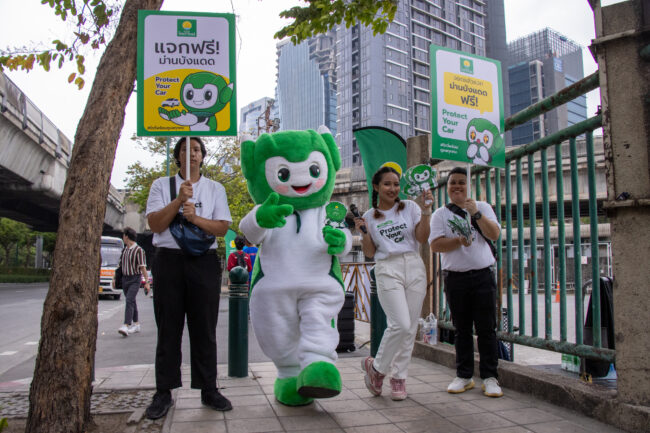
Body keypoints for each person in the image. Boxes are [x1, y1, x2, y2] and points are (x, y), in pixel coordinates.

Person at [144, 137, 233, 419]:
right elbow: (155, 223)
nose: (191, 154)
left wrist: (194, 218)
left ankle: (209, 389)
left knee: (204, 328)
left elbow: (221, 228)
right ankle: (163, 392)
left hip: (203, 263)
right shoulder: (161, 185)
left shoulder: (215, 188)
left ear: (202, 156)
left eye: (196, 149)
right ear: (177, 155)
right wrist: (179, 200)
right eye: (185, 149)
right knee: (168, 328)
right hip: (168, 262)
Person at [353, 166, 433, 401]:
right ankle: (378, 370)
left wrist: (427, 211)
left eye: (396, 184)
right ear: (376, 187)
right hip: (387, 267)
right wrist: (363, 233)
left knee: (409, 328)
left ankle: (398, 377)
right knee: (399, 323)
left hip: (414, 265)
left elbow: (421, 238)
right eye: (387, 184)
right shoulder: (368, 216)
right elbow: (369, 253)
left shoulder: (410, 207)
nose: (393, 188)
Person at [429, 166, 503, 398]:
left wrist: (476, 215)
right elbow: (435, 245)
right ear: (448, 187)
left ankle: (490, 377)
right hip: (455, 278)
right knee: (461, 330)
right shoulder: (440, 214)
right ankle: (464, 375)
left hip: (482, 276)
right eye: (453, 183)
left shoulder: (482, 207)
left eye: (462, 182)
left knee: (487, 330)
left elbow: (494, 235)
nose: (457, 186)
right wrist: (459, 241)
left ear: (468, 185)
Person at [117, 227, 149, 337]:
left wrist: (147, 282)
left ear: (126, 236)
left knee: (129, 300)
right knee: (131, 301)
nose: (123, 238)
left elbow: (143, 267)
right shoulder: (125, 250)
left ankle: (126, 325)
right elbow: (120, 266)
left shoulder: (139, 250)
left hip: (135, 279)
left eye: (123, 236)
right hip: (125, 279)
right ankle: (136, 324)